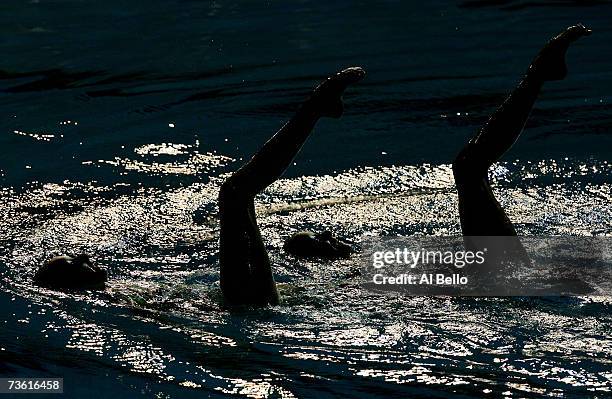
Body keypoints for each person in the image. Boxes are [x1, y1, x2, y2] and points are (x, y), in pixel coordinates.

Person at [218, 67, 365, 305]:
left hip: (251, 307)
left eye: (315, 239)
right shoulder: (339, 282)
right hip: (256, 307)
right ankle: (315, 108)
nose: (327, 233)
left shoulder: (337, 281)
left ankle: (315, 108)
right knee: (235, 194)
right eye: (315, 239)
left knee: (235, 194)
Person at [452, 24, 591, 257]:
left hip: (500, 278)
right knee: (469, 167)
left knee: (469, 167)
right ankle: (539, 73)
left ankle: (539, 73)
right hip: (503, 278)